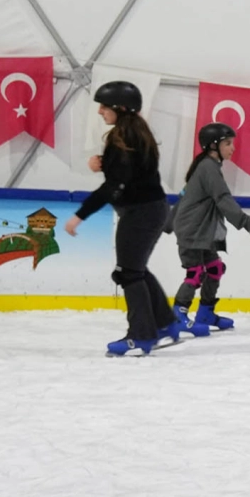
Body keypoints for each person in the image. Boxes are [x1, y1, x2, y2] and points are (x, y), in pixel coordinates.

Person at [63, 81, 180, 357]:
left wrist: (80, 215)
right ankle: (165, 324)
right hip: (153, 209)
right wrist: (103, 163)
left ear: (120, 108)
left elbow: (116, 186)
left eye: (104, 106)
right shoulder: (136, 134)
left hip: (140, 214)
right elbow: (131, 171)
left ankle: (141, 336)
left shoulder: (122, 138)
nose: (100, 111)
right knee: (136, 269)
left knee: (129, 273)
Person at [167, 122, 250, 336]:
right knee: (195, 272)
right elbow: (223, 199)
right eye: (228, 143)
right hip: (193, 230)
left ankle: (206, 313)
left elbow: (185, 194)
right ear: (213, 146)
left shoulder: (208, 167)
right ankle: (178, 315)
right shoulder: (208, 167)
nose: (233, 148)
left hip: (202, 231)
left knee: (215, 268)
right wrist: (247, 224)